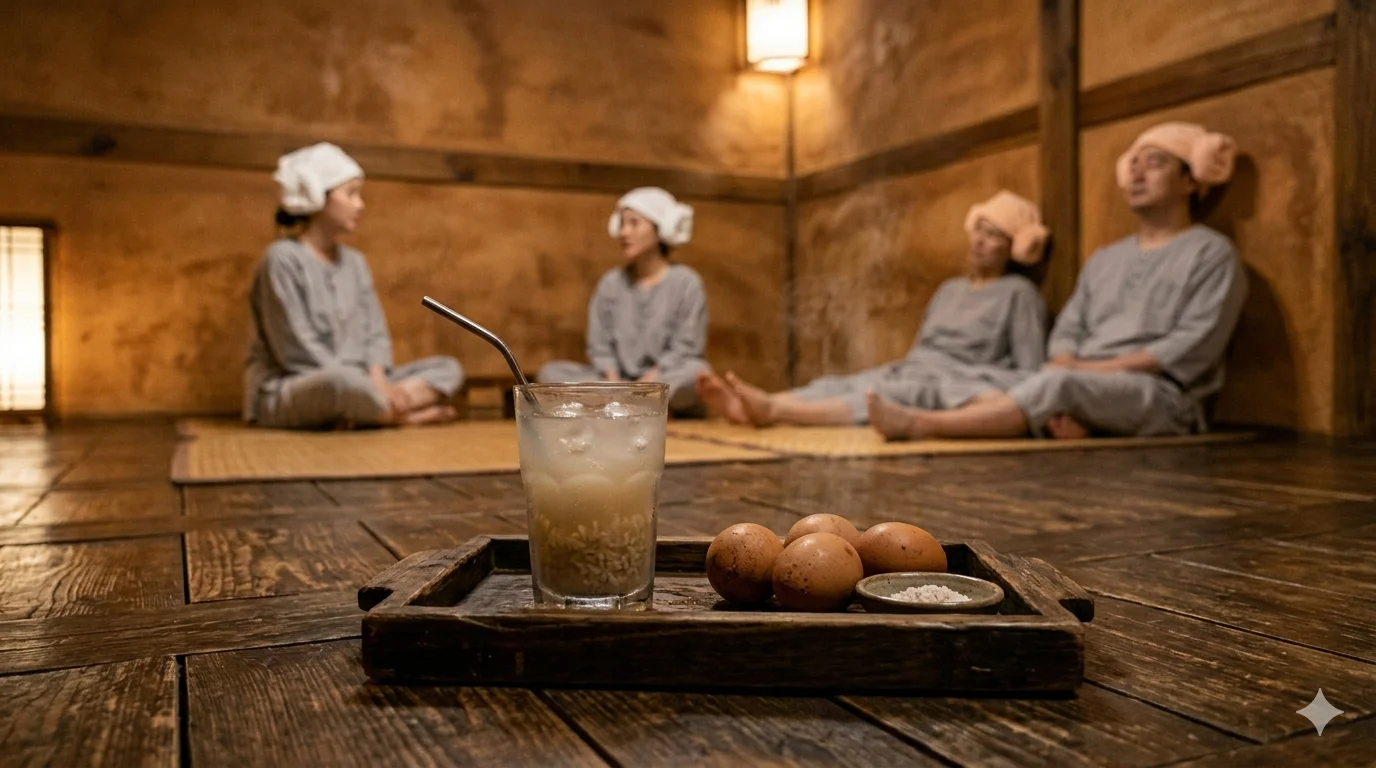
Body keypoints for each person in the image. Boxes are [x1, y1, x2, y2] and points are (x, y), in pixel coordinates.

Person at [867, 122, 1247, 441]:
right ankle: (1078, 422)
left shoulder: (1211, 253)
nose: (1137, 173)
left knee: (1057, 386)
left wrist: (1081, 371)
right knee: (1015, 382)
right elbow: (1068, 327)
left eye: (1156, 163)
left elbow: (1192, 344)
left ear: (1190, 181)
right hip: (1081, 379)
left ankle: (922, 426)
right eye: (1133, 164)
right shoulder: (1105, 259)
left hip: (1164, 396)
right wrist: (1065, 359)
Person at [697, 191, 1049, 426]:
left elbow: (1030, 373)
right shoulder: (949, 289)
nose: (980, 241)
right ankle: (755, 404)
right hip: (914, 368)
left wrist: (972, 386)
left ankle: (775, 410)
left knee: (884, 395)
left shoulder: (1019, 294)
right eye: (979, 230)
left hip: (955, 380)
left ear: (1014, 247)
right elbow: (921, 350)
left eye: (995, 235)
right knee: (854, 381)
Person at [243, 143, 463, 429]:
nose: (360, 205)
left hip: (363, 384)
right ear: (316, 197)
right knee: (341, 383)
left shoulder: (355, 262)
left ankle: (372, 413)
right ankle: (402, 417)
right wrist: (366, 387)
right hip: (300, 384)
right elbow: (296, 351)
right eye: (350, 194)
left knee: (449, 368)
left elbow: (375, 332)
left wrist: (378, 380)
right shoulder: (281, 259)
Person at [537, 187, 710, 415]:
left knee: (696, 371)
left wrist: (646, 384)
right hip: (614, 383)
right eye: (622, 224)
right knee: (551, 373)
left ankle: (625, 404)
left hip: (662, 380)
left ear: (661, 229)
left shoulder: (687, 282)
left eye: (634, 223)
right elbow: (599, 347)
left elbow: (686, 348)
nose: (624, 232)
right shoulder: (611, 283)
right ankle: (637, 406)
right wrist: (615, 383)